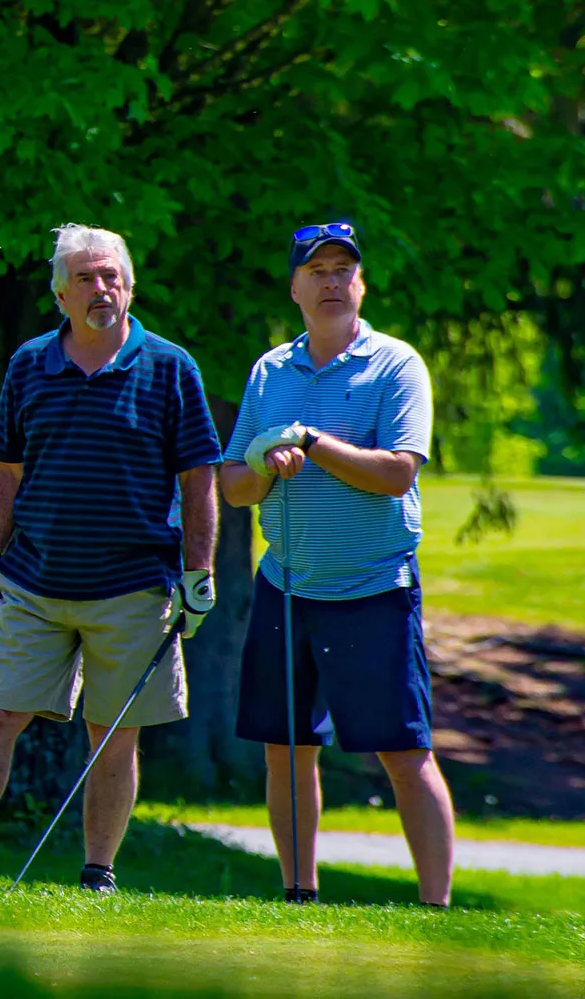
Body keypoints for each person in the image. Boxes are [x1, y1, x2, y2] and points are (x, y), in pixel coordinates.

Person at [0, 225, 220, 892]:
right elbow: (5, 472)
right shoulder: (28, 365)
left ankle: (97, 874)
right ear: (60, 296)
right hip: (34, 581)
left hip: (134, 585)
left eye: (111, 276)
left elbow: (199, 480)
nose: (101, 288)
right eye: (85, 278)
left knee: (113, 733)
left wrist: (200, 574)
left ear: (129, 286)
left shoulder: (172, 368)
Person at [219, 222, 448, 906]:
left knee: (404, 753)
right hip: (287, 586)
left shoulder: (396, 365)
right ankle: (300, 895)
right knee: (286, 748)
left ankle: (435, 907)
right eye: (315, 271)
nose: (331, 282)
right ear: (294, 288)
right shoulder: (269, 371)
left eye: (342, 270)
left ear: (361, 285)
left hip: (375, 587)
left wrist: (312, 442)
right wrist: (268, 462)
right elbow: (235, 486)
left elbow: (398, 472)